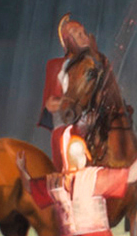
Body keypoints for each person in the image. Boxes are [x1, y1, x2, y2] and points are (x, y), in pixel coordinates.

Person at [17, 125, 137, 236]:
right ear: (83, 156)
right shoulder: (93, 178)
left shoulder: (56, 183)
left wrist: (22, 169)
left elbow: (28, 186)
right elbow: (131, 176)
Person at [38, 13, 101, 170]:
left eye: (84, 33)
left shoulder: (95, 65)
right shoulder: (56, 66)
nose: (84, 37)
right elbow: (50, 104)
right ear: (68, 40)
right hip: (67, 122)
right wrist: (70, 105)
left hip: (94, 120)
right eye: (78, 34)